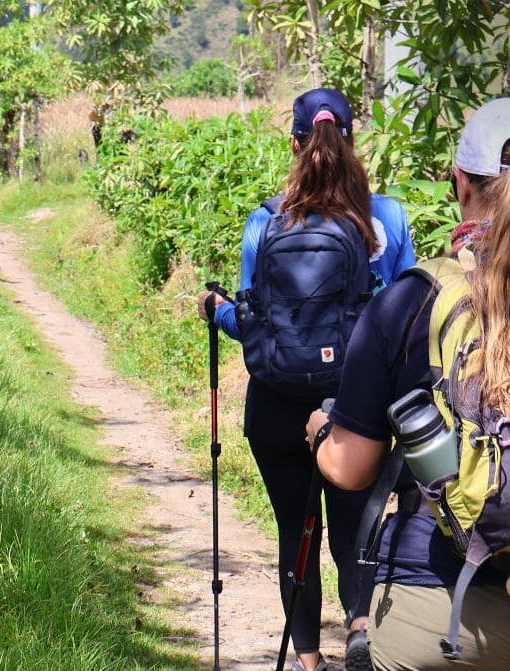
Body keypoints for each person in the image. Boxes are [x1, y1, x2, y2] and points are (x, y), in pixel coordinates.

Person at [198, 88, 415, 671]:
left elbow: (253, 325)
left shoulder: (265, 221)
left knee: (297, 533)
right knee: (356, 532)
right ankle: (363, 635)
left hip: (275, 407)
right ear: (351, 140)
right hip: (355, 406)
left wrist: (214, 310)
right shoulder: (387, 218)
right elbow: (405, 321)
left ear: (294, 143)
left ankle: (309, 663)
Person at [306, 98, 510, 671]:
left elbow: (351, 468)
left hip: (439, 606)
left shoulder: (412, 299)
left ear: (460, 184)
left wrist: (323, 431)